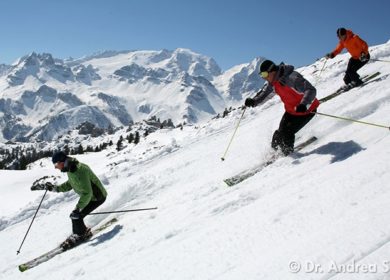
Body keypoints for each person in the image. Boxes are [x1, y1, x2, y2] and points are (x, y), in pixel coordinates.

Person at [245, 59, 319, 155]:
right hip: (291, 111)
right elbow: (264, 94)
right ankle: (274, 154)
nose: (264, 78)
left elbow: (310, 90)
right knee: (278, 135)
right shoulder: (273, 83)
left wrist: (304, 104)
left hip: (306, 110)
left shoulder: (292, 78)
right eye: (262, 75)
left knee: (287, 133)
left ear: (272, 71)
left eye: (264, 74)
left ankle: (288, 155)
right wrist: (254, 101)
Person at [45, 151, 107, 248]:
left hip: (97, 197)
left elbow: (87, 193)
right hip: (90, 197)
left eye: (56, 164)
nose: (56, 167)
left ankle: (81, 234)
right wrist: (55, 188)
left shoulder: (79, 171)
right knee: (75, 215)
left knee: (76, 215)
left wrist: (78, 208)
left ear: (62, 161)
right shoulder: (71, 169)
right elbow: (70, 183)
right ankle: (80, 232)